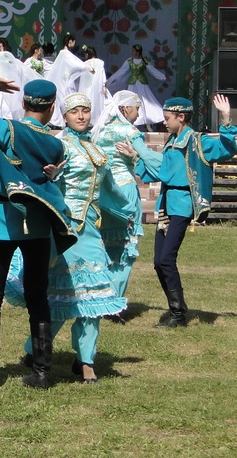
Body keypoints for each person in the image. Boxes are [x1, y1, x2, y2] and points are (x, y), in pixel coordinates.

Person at [0, 77, 76, 390]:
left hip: (1, 221)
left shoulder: (8, 129)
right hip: (37, 225)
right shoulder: (56, 144)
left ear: (24, 104)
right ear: (52, 108)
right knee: (38, 298)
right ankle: (41, 373)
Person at [5, 93, 127, 384]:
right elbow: (40, 178)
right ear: (65, 115)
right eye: (75, 112)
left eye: (86, 111)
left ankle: (86, 361)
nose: (82, 116)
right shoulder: (58, 144)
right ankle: (34, 349)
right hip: (65, 230)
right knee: (62, 298)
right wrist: (53, 177)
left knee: (94, 297)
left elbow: (108, 188)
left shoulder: (95, 148)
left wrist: (125, 214)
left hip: (92, 230)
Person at [117, 94, 237, 327]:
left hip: (182, 204)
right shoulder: (171, 141)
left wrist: (225, 118)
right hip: (166, 202)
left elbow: (226, 148)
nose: (164, 122)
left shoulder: (198, 141)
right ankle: (178, 309)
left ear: (181, 117)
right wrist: (135, 156)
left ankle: (178, 314)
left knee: (166, 259)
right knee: (158, 262)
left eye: (167, 118)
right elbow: (160, 170)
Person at [91, 91, 145, 317]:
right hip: (125, 190)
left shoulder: (100, 130)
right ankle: (113, 300)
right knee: (125, 245)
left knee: (105, 244)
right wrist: (134, 157)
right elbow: (146, 159)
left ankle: (100, 294)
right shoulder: (130, 132)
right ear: (126, 109)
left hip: (104, 192)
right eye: (137, 109)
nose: (139, 115)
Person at [105, 44, 167, 129]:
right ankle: (131, 121)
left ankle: (147, 122)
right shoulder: (129, 61)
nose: (132, 52)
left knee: (146, 102)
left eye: (134, 51)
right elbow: (121, 71)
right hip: (132, 84)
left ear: (138, 52)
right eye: (132, 50)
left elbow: (152, 70)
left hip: (142, 84)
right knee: (131, 101)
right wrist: (110, 80)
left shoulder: (144, 61)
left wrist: (161, 76)